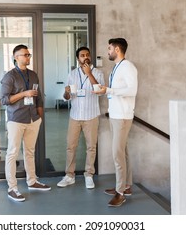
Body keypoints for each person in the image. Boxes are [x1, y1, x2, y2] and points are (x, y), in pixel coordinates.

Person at [0, 44, 51, 202]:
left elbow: (39, 97)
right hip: (16, 119)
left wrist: (39, 117)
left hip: (32, 119)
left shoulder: (33, 74)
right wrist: (24, 93)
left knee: (30, 152)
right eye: (25, 55)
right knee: (12, 153)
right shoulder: (9, 77)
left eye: (29, 55)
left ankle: (32, 181)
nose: (28, 57)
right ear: (16, 57)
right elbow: (4, 100)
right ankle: (12, 188)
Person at [93, 38, 138, 207]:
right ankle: (125, 186)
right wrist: (104, 91)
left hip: (123, 116)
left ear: (117, 49)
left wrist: (109, 90)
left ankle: (121, 193)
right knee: (122, 151)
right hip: (115, 115)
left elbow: (132, 90)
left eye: (109, 48)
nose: (108, 51)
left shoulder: (128, 67)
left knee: (117, 154)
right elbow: (115, 90)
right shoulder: (116, 67)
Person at [57, 47, 105, 189]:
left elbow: (99, 92)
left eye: (87, 55)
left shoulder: (98, 73)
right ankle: (69, 175)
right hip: (75, 116)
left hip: (91, 115)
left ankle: (89, 175)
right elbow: (67, 97)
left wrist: (89, 73)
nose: (85, 57)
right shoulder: (72, 74)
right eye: (82, 55)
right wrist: (66, 93)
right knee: (71, 146)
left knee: (91, 147)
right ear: (78, 59)